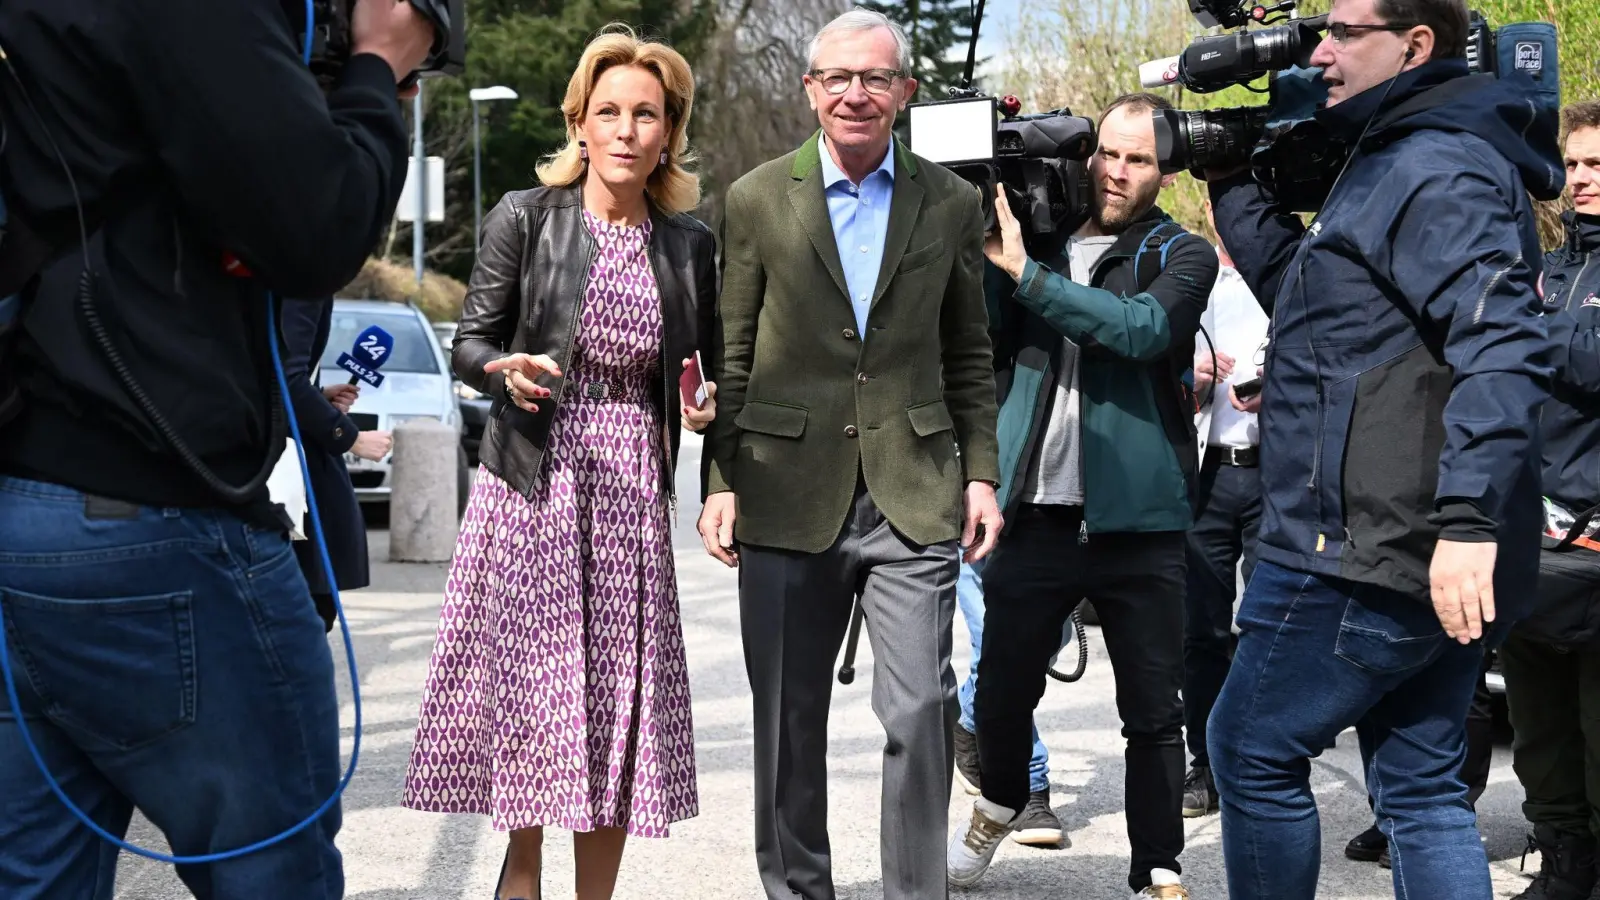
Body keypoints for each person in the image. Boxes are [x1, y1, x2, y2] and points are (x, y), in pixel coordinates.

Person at [0, 1, 431, 896]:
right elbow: (314, 225)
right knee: (274, 876)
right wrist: (378, 69)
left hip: (24, 513)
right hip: (157, 524)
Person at [1204, 0, 1565, 895]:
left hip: (1373, 541)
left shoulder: (1435, 165)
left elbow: (1505, 345)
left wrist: (1469, 522)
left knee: (1248, 749)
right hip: (1406, 535)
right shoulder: (1400, 153)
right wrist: (1231, 176)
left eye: (1342, 32)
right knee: (1419, 789)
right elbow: (1319, 305)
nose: (1319, 52)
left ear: (1414, 44)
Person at [402, 26, 718, 900]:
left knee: (616, 711)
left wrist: (699, 402)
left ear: (668, 132)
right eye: (607, 111)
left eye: (645, 114)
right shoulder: (525, 217)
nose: (624, 129)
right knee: (538, 704)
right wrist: (501, 369)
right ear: (579, 122)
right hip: (534, 480)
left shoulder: (690, 245)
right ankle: (523, 877)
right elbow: (470, 341)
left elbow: (702, 366)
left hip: (629, 496)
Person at [697, 8, 1002, 899]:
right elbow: (733, 352)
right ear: (811, 90)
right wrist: (720, 479)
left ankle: (917, 891)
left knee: (920, 708)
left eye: (875, 78)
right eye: (838, 78)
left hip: (913, 487)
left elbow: (968, 354)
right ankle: (798, 890)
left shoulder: (948, 202)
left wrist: (980, 472)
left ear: (904, 92)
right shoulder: (755, 198)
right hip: (785, 489)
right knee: (789, 719)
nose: (856, 93)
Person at [947, 92, 1219, 900]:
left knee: (1150, 712)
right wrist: (987, 247)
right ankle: (999, 801)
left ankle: (1157, 864)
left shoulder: (1184, 255)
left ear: (1163, 174)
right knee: (999, 691)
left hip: (1142, 523)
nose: (1117, 170)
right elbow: (985, 336)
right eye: (1108, 152)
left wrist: (1027, 274)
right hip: (1035, 514)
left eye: (1138, 158)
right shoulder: (1039, 241)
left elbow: (1138, 332)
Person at [1495, 99, 1600, 900]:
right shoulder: (1550, 265)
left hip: (1597, 548)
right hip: (1529, 539)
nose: (1583, 180)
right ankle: (1562, 859)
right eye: (1575, 164)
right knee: (1539, 733)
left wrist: (1522, 329)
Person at [1180, 201, 1267, 820]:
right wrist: (1196, 375)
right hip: (1207, 477)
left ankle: (1262, 759)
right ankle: (1203, 763)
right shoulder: (1194, 273)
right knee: (1202, 630)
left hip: (1275, 479)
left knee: (1269, 625)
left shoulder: (1288, 269)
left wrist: (1278, 386)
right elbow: (1154, 360)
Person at [276, 295, 392, 632]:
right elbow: (286, 381)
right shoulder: (300, 281)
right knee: (307, 613)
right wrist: (352, 439)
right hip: (284, 465)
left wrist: (319, 394)